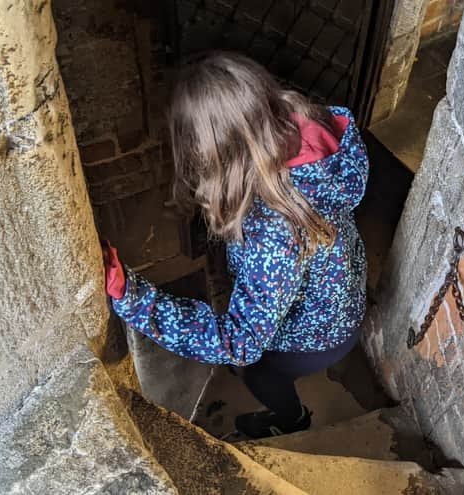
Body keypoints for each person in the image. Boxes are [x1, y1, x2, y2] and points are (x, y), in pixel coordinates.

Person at [101, 51, 369, 439]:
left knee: (256, 371)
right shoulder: (315, 138)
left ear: (216, 151)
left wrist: (133, 297)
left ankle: (291, 418)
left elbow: (238, 342)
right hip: (343, 299)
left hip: (319, 336)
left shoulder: (274, 232)